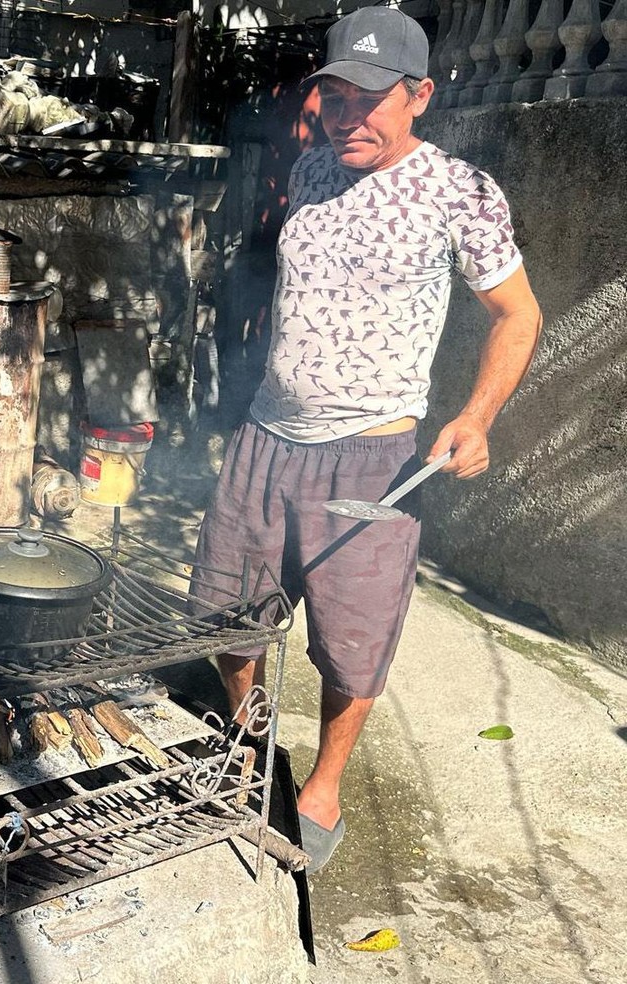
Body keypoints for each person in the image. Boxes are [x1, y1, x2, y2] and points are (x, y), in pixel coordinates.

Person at [190, 7, 541, 873]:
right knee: (223, 619)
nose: (350, 116)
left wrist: (477, 417)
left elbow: (517, 314)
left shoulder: (463, 191)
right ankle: (248, 740)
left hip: (375, 461)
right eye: (337, 95)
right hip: (266, 442)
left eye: (372, 99)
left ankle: (322, 787)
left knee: (353, 643)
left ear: (419, 96)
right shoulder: (312, 170)